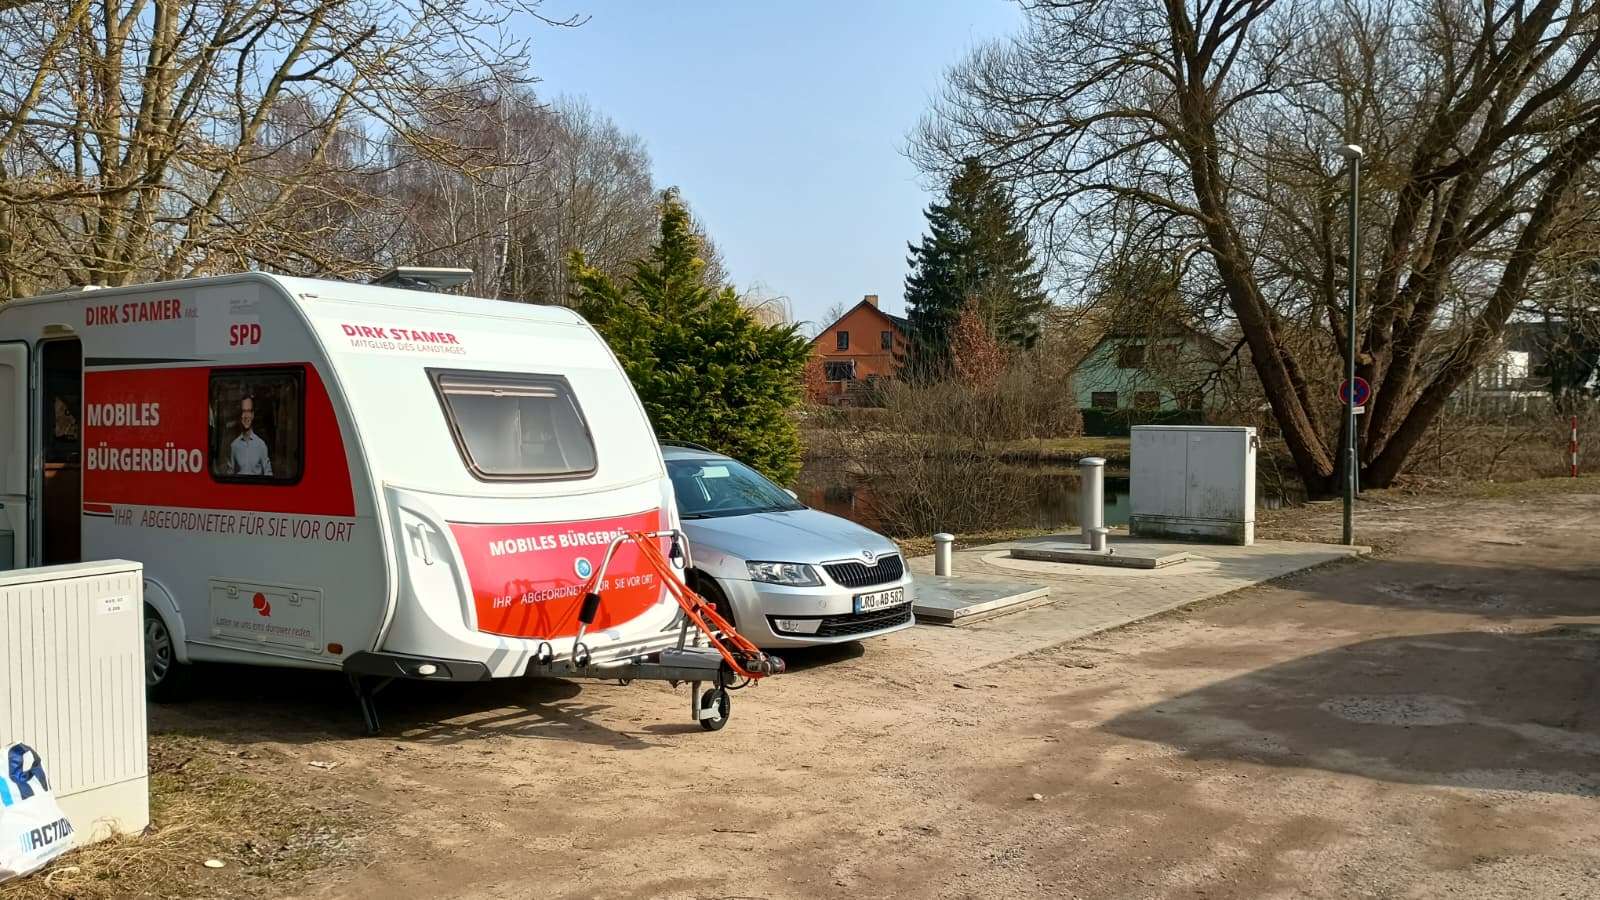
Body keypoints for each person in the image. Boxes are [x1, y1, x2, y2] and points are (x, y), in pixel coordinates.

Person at [229, 395, 273, 477]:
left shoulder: (261, 445)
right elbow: (229, 475)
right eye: (243, 411)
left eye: (248, 411)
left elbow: (268, 475)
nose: (246, 416)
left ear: (252, 415)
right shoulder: (234, 446)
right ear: (240, 415)